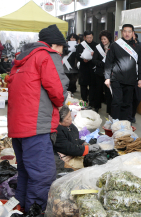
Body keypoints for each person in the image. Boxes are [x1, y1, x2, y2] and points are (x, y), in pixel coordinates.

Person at [7, 24, 69, 212]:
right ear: (55, 45)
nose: (62, 52)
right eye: (61, 48)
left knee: (26, 172)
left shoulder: (22, 57)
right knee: (42, 175)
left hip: (18, 126)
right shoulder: (48, 55)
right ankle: (35, 211)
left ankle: (23, 208)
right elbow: (58, 91)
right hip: (36, 125)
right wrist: (60, 103)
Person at [104, 24, 141, 122]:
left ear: (133, 33)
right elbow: (108, 62)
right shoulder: (115, 45)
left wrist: (140, 78)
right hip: (117, 79)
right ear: (122, 32)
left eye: (129, 31)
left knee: (127, 103)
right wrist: (107, 77)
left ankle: (124, 123)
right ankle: (115, 122)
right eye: (125, 31)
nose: (127, 34)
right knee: (117, 101)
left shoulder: (138, 48)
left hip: (131, 80)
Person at [92, 30, 113, 114]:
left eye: (105, 39)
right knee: (98, 91)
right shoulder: (98, 47)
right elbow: (94, 60)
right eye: (102, 39)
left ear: (108, 38)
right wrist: (101, 63)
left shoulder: (113, 46)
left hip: (110, 74)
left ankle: (109, 110)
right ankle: (97, 107)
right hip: (100, 73)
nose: (103, 41)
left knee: (109, 93)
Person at [76, 31, 98, 105]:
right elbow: (77, 56)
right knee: (83, 86)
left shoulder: (96, 45)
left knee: (92, 87)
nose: (89, 39)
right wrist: (82, 60)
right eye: (88, 37)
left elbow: (99, 57)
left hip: (92, 68)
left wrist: (94, 55)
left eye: (91, 37)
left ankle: (91, 103)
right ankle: (84, 102)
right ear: (84, 37)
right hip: (83, 68)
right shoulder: (80, 46)